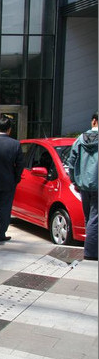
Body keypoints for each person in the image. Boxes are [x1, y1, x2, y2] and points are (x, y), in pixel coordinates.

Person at [67, 112, 98, 261]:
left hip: (84, 185)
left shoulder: (80, 139)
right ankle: (91, 252)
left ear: (93, 121)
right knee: (95, 219)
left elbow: (71, 163)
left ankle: (90, 248)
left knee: (89, 218)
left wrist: (74, 181)